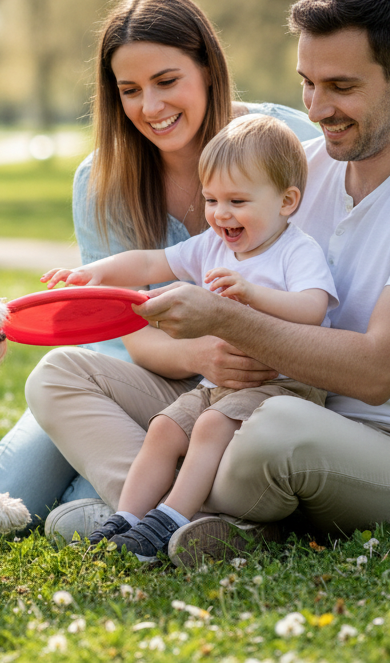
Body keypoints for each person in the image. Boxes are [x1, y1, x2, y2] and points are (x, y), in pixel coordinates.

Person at [28, 0, 390, 568]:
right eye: (307, 83)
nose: (316, 108)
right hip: (273, 405)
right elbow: (193, 257)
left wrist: (226, 321)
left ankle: (157, 511)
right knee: (60, 374)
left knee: (275, 429)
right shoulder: (300, 169)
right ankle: (167, 521)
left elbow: (378, 372)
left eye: (340, 86)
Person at [0, 0, 321, 528]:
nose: (150, 108)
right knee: (6, 497)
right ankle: (187, 515)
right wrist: (204, 357)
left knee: (74, 509)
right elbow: (131, 333)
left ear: (207, 67)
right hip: (146, 375)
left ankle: (140, 513)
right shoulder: (101, 181)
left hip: (254, 387)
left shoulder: (291, 144)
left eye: (166, 81)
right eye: (129, 90)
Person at [40, 114, 337, 561]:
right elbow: (147, 265)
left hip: (285, 386)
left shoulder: (296, 251)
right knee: (164, 427)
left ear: (287, 201)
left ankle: (172, 519)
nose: (220, 214)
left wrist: (252, 294)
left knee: (211, 426)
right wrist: (93, 274)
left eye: (237, 200)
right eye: (211, 199)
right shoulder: (212, 245)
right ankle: (128, 520)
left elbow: (313, 307)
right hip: (222, 384)